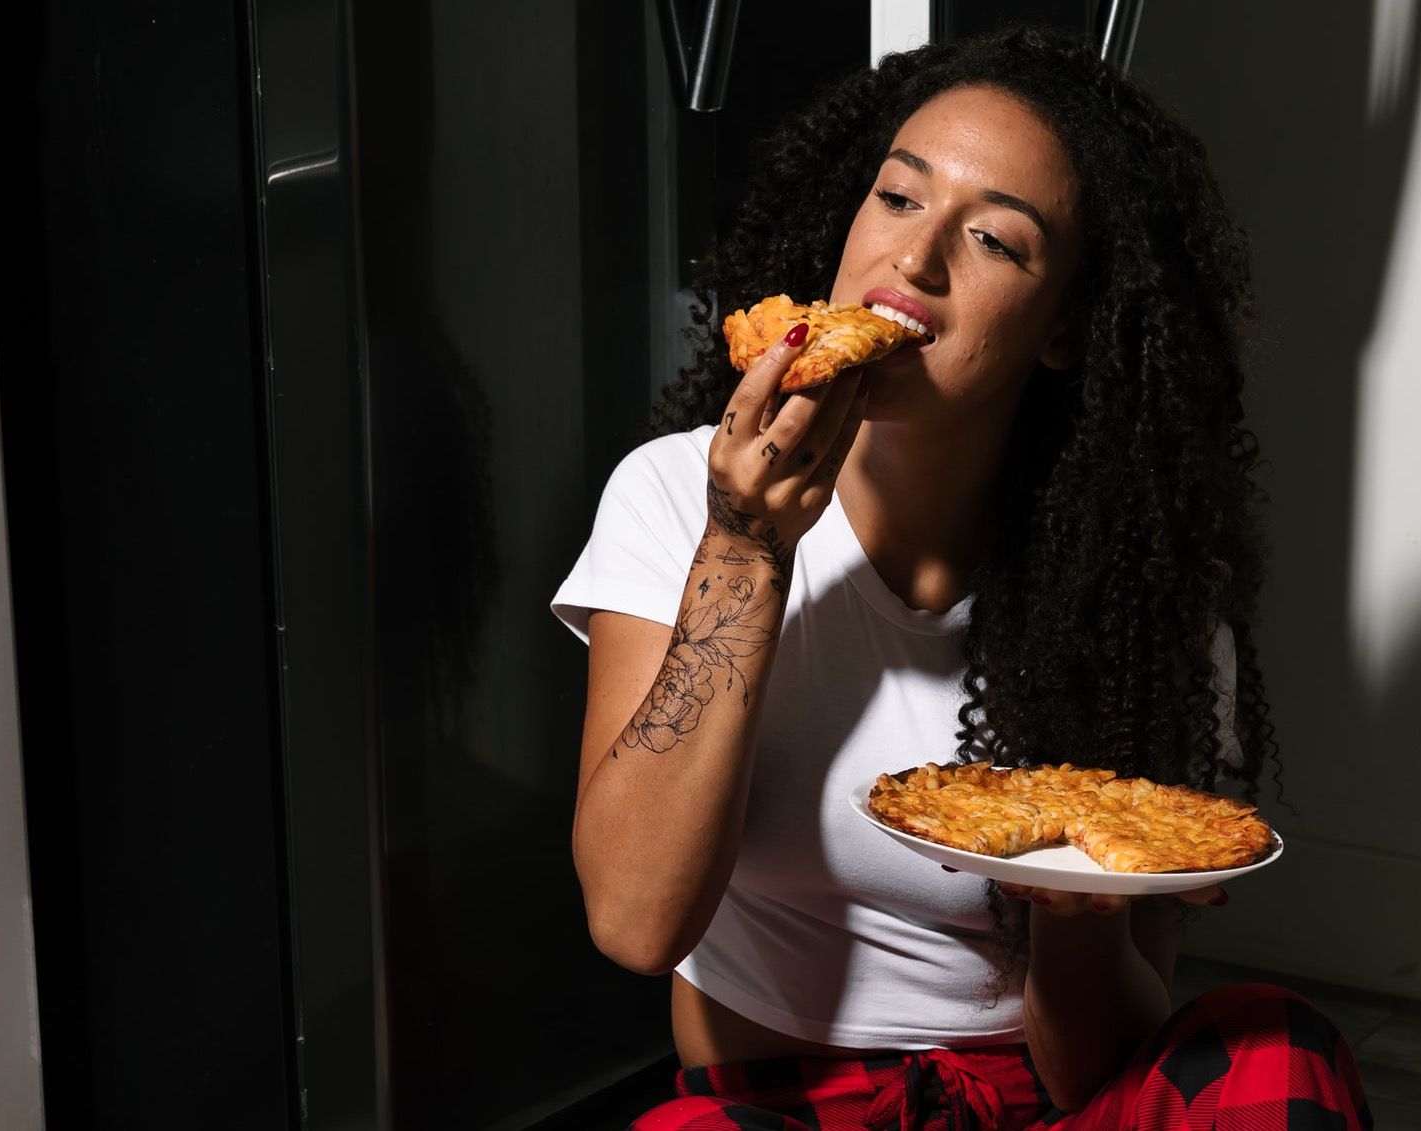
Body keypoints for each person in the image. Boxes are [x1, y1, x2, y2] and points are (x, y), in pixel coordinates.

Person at [552, 26, 1373, 1131]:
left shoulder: (1142, 610)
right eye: (897, 199)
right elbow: (635, 924)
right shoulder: (681, 492)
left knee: (1276, 1046)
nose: (917, 259)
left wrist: (1077, 900)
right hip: (779, 1110)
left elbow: (1102, 1075)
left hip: (1039, 1106)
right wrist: (747, 553)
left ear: (1066, 330)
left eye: (994, 238)